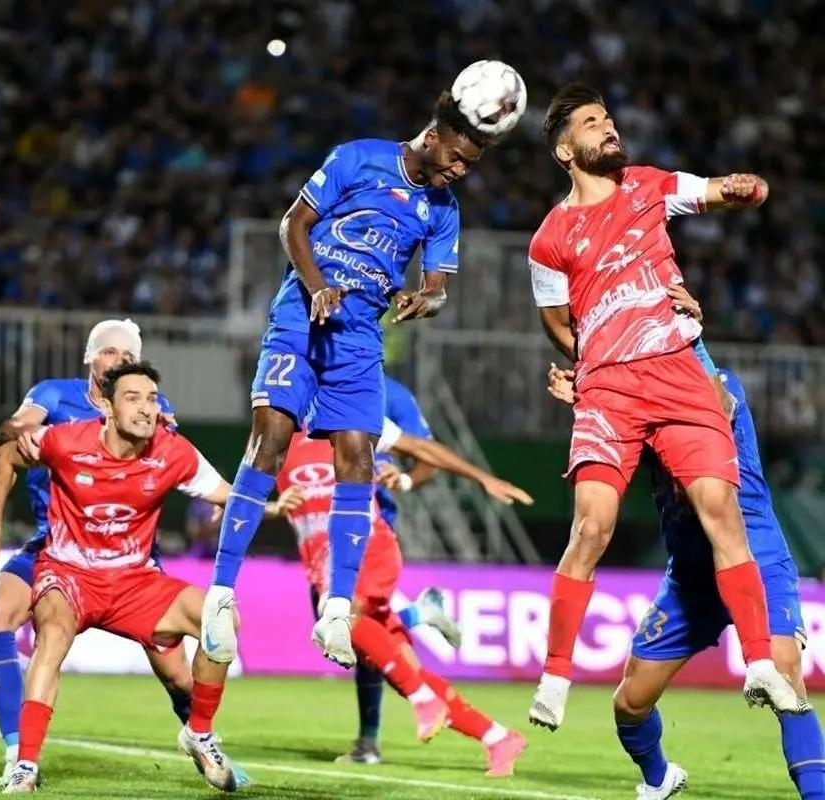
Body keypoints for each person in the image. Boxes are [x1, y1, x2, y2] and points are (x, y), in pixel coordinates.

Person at [525, 81, 804, 728]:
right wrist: (594, 360)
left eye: (609, 118)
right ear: (565, 151)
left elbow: (734, 191)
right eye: (592, 123)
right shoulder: (548, 240)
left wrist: (746, 188)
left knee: (722, 511)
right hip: (611, 390)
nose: (608, 127)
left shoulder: (650, 185)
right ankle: (556, 675)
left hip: (678, 375)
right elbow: (557, 323)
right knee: (592, 527)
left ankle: (759, 662)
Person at [204, 75, 503, 669]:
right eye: (456, 157)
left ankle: (337, 608)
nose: (459, 170)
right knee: (271, 440)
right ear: (433, 136)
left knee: (358, 458)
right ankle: (219, 594)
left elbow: (439, 286)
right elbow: (292, 224)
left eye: (470, 165)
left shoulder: (443, 210)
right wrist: (316, 285)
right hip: (301, 315)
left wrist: (425, 298)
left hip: (361, 336)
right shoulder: (357, 158)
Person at [0, 361, 302, 794]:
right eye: (133, 398)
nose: (145, 408)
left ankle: (199, 734)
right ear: (107, 407)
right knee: (52, 638)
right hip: (69, 573)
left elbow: (227, 495)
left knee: (222, 619)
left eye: (151, 399)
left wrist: (271, 508)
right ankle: (24, 765)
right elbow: (9, 454)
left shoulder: (173, 451)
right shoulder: (66, 440)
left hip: (134, 581)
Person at [547, 357, 825, 800]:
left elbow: (720, 406)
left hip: (755, 556)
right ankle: (659, 779)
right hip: (690, 579)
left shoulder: (715, 382)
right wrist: (592, 396)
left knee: (785, 679)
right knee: (630, 703)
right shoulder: (633, 399)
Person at [0, 319, 194, 785]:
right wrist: (15, 434)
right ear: (89, 357)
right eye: (108, 352)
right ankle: (18, 753)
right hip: (55, 546)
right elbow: (19, 428)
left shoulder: (147, 406)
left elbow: (172, 450)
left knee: (178, 677)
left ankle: (201, 738)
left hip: (127, 559)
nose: (117, 361)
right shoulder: (54, 395)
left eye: (127, 356)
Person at [280, 415, 531, 775]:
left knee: (337, 617)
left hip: (369, 547)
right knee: (405, 671)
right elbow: (245, 497)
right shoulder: (274, 433)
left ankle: (421, 695)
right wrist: (272, 507)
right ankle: (498, 738)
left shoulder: (352, 412)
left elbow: (422, 449)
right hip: (325, 567)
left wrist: (482, 478)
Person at [338, 374, 460, 764]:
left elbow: (429, 457)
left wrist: (404, 478)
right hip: (324, 525)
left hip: (371, 526)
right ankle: (418, 614)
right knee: (348, 632)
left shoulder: (392, 394)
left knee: (353, 627)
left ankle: (368, 742)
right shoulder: (308, 386)